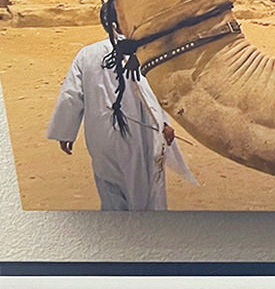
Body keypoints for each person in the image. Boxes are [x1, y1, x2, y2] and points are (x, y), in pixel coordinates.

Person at [46, 37, 196, 210]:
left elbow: (71, 95)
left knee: (111, 193)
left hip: (103, 138)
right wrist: (163, 123)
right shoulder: (144, 51)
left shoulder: (87, 54)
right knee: (149, 196)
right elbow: (154, 95)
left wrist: (65, 131)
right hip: (142, 137)